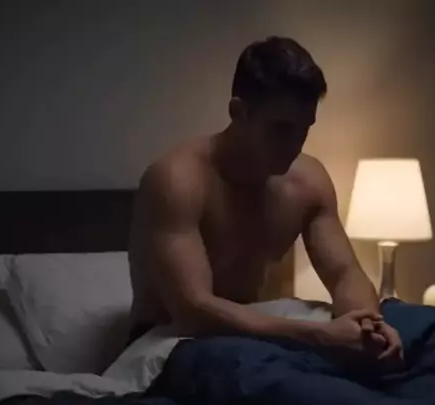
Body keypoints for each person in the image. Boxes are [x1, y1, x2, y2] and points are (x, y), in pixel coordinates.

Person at [128, 36, 403, 367]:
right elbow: (192, 309)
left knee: (425, 326)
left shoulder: (307, 182)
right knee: (281, 378)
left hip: (260, 337)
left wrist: (368, 325)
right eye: (281, 129)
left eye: (304, 129)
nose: (295, 144)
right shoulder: (177, 180)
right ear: (239, 112)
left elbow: (345, 273)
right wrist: (319, 335)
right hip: (177, 343)